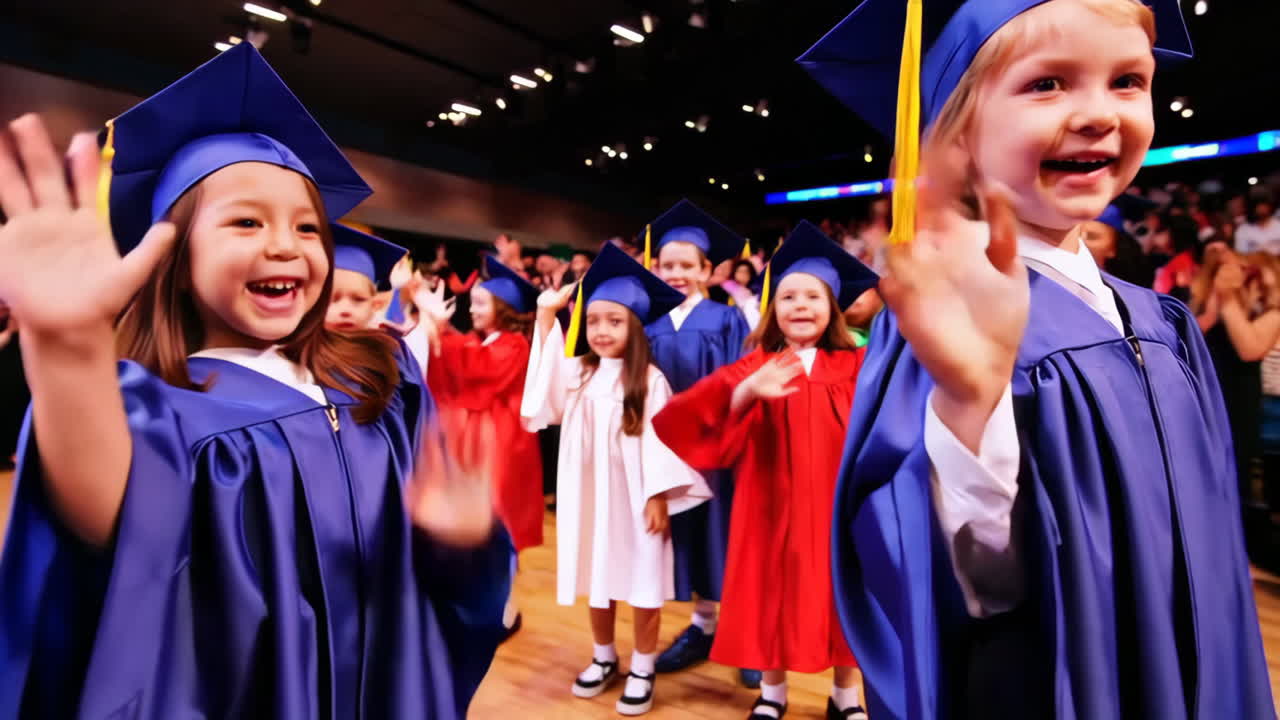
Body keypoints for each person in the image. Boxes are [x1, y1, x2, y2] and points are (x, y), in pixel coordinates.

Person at [0, 44, 511, 719]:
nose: (285, 245)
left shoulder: (381, 382)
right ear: (175, 260)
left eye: (308, 226)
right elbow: (113, 531)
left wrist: (462, 541)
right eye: (247, 221)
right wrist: (66, 350)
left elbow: (442, 585)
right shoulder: (157, 414)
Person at [800, 0, 1273, 717]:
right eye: (1047, 83)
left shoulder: (1164, 321)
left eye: (1128, 81)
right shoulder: (942, 325)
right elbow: (949, 583)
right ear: (955, 134)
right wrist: (970, 405)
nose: (1097, 113)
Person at [654, 221, 878, 720]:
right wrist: (746, 393)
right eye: (787, 296)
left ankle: (845, 696)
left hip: (835, 510)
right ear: (772, 308)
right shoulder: (757, 365)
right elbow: (685, 414)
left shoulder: (859, 365)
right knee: (768, 593)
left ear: (834, 307)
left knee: (841, 596)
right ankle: (772, 693)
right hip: (769, 504)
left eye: (813, 297)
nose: (800, 306)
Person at [521, 243, 711, 715]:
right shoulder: (579, 374)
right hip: (590, 499)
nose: (601, 330)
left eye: (614, 320)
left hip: (636, 500)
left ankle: (643, 667)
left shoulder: (649, 380)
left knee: (643, 584)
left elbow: (663, 443)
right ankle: (604, 656)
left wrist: (659, 497)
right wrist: (547, 318)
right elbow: (542, 396)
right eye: (594, 320)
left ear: (636, 327)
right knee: (597, 576)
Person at [637, 199, 757, 686]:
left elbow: (740, 381)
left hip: (717, 449)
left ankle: (746, 636)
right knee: (685, 541)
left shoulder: (726, 320)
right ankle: (703, 627)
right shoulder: (646, 324)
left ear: (709, 270)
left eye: (687, 266)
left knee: (726, 536)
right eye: (667, 266)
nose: (677, 273)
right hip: (667, 449)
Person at [421, 254, 544, 640]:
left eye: (479, 303)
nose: (471, 310)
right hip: (469, 439)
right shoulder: (476, 340)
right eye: (471, 303)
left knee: (500, 524)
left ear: (504, 309)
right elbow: (445, 378)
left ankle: (504, 610)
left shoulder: (514, 345)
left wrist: (442, 331)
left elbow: (480, 370)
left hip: (501, 444)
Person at [325, 223, 407, 331]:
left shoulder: (387, 346)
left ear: (374, 306)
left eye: (358, 299)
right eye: (332, 300)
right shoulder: (300, 346)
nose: (346, 310)